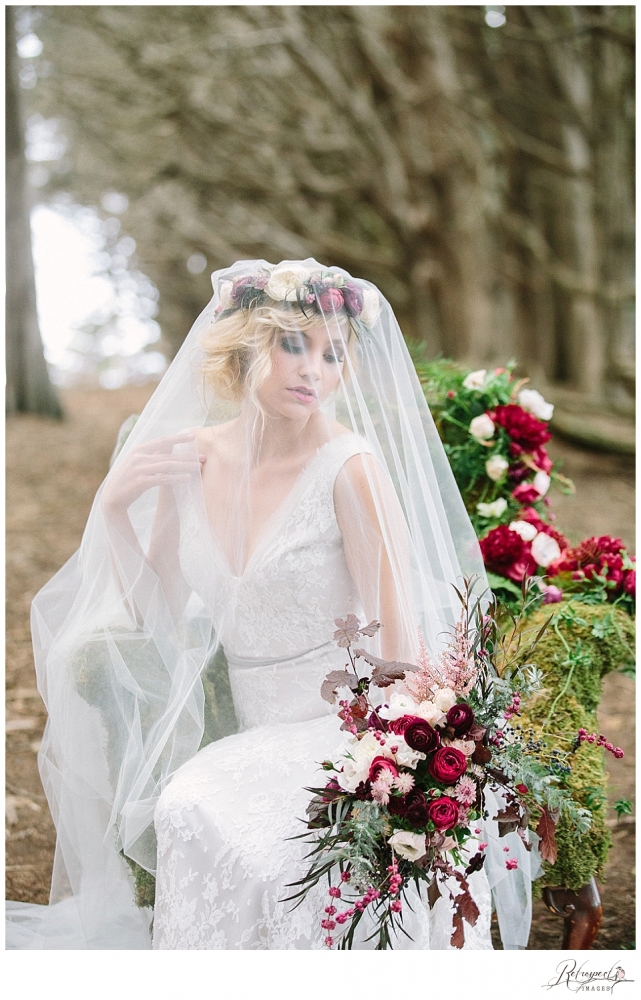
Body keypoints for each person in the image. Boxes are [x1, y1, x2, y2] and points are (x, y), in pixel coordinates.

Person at [6, 260, 537, 950]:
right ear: (245, 345)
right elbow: (157, 613)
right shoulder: (191, 461)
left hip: (343, 732)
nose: (312, 369)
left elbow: (404, 653)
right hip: (250, 733)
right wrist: (111, 511)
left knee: (248, 834)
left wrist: (384, 767)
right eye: (292, 344)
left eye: (332, 353)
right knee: (186, 805)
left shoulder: (350, 468)